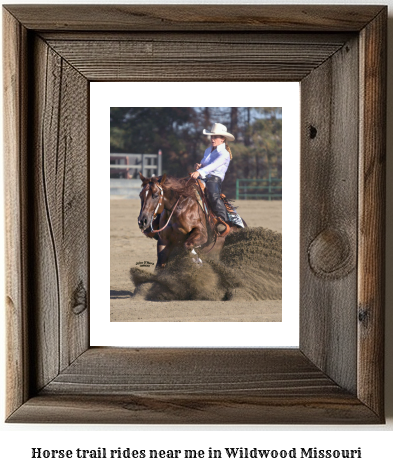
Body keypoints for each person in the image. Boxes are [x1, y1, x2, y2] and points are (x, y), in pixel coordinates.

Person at [190, 123, 235, 233]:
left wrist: (199, 172)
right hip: (203, 176)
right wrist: (199, 166)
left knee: (213, 195)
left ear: (222, 139)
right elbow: (205, 164)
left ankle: (223, 221)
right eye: (212, 136)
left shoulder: (224, 154)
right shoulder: (207, 150)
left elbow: (214, 165)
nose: (212, 139)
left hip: (214, 179)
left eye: (215, 137)